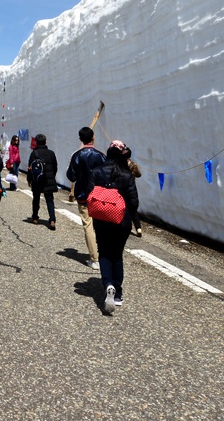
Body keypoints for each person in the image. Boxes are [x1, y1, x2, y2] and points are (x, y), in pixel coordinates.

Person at [90, 141, 140, 314]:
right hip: (122, 221)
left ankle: (108, 284)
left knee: (103, 252)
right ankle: (117, 294)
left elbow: (90, 194)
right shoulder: (127, 175)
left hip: (102, 220)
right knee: (117, 256)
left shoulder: (96, 172)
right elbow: (134, 202)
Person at [69, 126, 107, 269]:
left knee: (88, 226)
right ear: (93, 137)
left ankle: (94, 258)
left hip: (83, 195)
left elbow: (71, 176)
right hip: (100, 195)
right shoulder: (101, 155)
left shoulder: (76, 155)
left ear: (80, 139)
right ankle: (105, 255)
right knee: (102, 226)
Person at [26, 133, 59, 229]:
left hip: (37, 180)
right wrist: (52, 176)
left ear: (36, 142)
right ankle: (52, 219)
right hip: (48, 179)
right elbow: (55, 167)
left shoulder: (34, 153)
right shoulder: (51, 153)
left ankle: (35, 217)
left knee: (36, 198)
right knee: (49, 200)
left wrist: (29, 179)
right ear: (46, 141)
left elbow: (30, 168)